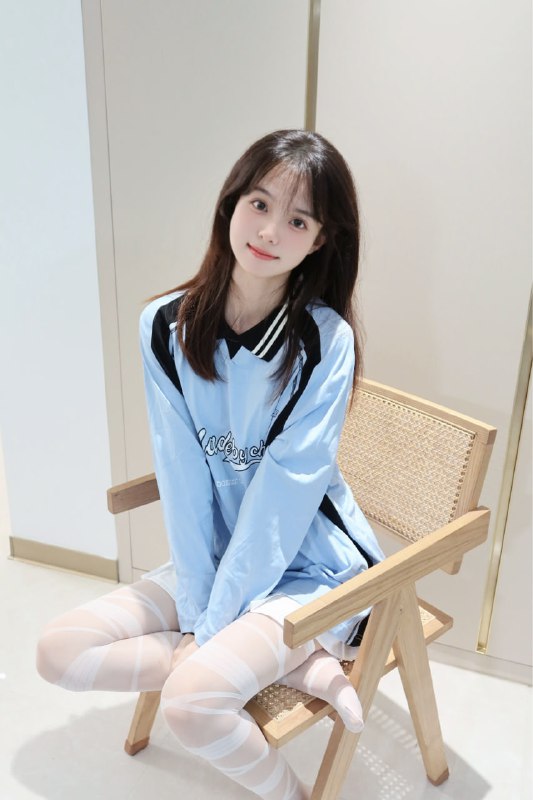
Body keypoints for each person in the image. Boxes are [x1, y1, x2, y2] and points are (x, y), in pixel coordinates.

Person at [36, 129, 384, 800]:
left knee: (191, 706)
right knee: (58, 653)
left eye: (299, 220)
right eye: (259, 204)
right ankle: (295, 666)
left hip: (310, 567)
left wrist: (214, 623)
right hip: (219, 556)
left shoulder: (323, 342)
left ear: (320, 241)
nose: (270, 231)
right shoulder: (164, 326)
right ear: (231, 203)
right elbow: (183, 477)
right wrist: (202, 612)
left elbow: (283, 499)